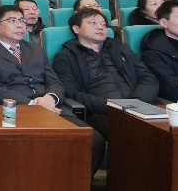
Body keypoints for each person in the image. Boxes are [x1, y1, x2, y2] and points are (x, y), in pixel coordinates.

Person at [0, 5, 105, 174]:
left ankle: (77, 188)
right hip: (14, 112)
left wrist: (51, 98)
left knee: (94, 141)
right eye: (13, 21)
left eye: (22, 21)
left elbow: (54, 81)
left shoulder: (35, 49)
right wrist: (34, 105)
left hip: (52, 108)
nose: (20, 25)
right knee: (37, 147)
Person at [53, 7, 159, 138]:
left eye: (103, 24)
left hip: (140, 106)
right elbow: (71, 92)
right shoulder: (66, 56)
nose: (100, 27)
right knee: (134, 131)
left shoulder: (120, 48)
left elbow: (148, 78)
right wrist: (113, 107)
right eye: (93, 23)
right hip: (102, 113)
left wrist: (137, 102)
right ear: (76, 29)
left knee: (171, 127)